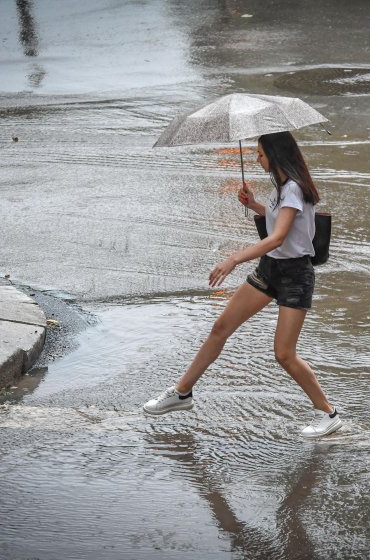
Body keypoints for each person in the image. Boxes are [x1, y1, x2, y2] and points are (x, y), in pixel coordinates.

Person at [143, 131, 342, 438]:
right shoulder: (282, 189)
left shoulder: (294, 189)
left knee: (284, 354)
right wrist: (256, 205)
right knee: (221, 328)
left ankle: (327, 413)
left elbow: (277, 237)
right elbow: (280, 222)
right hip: (270, 268)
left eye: (260, 153)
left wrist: (233, 259)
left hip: (295, 276)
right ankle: (182, 393)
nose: (256, 158)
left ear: (275, 155)